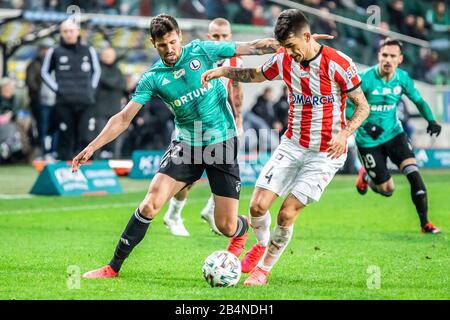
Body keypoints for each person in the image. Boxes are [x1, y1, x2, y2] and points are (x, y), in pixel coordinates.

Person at [73, 14, 283, 279]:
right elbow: (124, 117)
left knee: (225, 226)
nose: (170, 49)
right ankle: (113, 267)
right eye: (163, 45)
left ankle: (241, 233)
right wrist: (91, 147)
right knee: (150, 203)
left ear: (180, 36)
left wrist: (290, 43)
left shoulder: (202, 51)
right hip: (187, 144)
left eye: (173, 42)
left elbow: (251, 47)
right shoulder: (153, 77)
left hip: (221, 142)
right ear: (154, 44)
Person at [201, 9, 370, 286]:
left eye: (292, 46)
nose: (290, 53)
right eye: (286, 48)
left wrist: (344, 134)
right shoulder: (284, 58)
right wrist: (223, 70)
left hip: (325, 154)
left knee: (286, 212)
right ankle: (261, 244)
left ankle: (263, 270)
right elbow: (255, 74)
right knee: (256, 207)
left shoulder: (338, 63)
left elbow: (363, 106)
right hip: (292, 145)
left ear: (306, 36)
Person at [349, 38, 442, 234]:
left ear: (400, 59)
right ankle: (366, 175)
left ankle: (425, 224)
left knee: (413, 174)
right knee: (387, 190)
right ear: (378, 56)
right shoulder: (364, 78)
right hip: (368, 140)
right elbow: (347, 107)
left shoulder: (402, 78)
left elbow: (419, 100)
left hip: (394, 134)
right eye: (384, 55)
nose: (388, 59)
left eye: (392, 56)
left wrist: (431, 120)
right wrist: (368, 125)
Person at [162, 17, 245, 237]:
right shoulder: (197, 56)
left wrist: (239, 119)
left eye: (224, 36)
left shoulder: (235, 61)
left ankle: (210, 210)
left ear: (230, 37)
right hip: (190, 128)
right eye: (216, 36)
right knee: (189, 178)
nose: (220, 39)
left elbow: (236, 90)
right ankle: (173, 214)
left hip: (220, 127)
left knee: (225, 171)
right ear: (210, 37)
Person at [41, 18, 101, 160]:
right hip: (64, 102)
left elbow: (97, 71)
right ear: (61, 33)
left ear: (77, 32)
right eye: (65, 31)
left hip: (86, 101)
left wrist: (90, 89)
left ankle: (86, 168)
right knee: (66, 136)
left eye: (71, 31)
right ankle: (66, 170)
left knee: (86, 136)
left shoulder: (89, 50)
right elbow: (44, 72)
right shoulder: (54, 51)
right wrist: (58, 89)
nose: (68, 34)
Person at [26, 38, 57, 159]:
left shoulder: (55, 64)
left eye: (49, 49)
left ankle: (53, 151)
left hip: (55, 101)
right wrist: (41, 92)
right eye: (44, 49)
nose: (46, 51)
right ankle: (43, 152)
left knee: (54, 128)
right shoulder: (34, 64)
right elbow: (31, 82)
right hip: (40, 102)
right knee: (42, 127)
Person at [94, 47, 126, 159]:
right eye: (106, 55)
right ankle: (95, 162)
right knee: (98, 138)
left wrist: (114, 82)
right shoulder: (97, 69)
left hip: (115, 110)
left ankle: (116, 160)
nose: (108, 58)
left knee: (117, 137)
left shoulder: (117, 71)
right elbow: (107, 81)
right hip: (100, 110)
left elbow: (123, 85)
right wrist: (115, 82)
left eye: (110, 55)